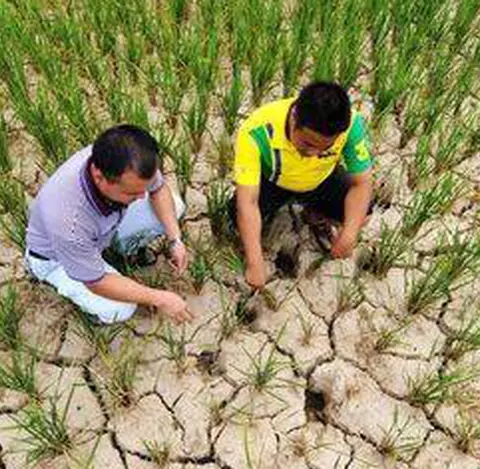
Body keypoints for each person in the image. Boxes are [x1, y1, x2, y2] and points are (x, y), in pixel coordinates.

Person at [25, 125, 193, 324]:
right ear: (99, 177)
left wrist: (175, 240)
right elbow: (96, 282)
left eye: (143, 189)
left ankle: (113, 250)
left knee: (175, 207)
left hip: (102, 229)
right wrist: (160, 298)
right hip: (56, 259)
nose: (142, 197)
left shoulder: (131, 161)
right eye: (132, 193)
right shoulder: (69, 222)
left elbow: (158, 190)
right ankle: (84, 303)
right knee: (121, 309)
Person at [225, 81, 375, 289]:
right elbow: (248, 201)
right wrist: (254, 261)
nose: (314, 153)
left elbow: (362, 182)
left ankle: (315, 214)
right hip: (273, 183)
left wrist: (350, 233)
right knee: (236, 217)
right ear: (294, 117)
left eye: (325, 148)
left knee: (363, 215)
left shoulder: (351, 125)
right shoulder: (257, 131)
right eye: (308, 144)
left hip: (320, 179)